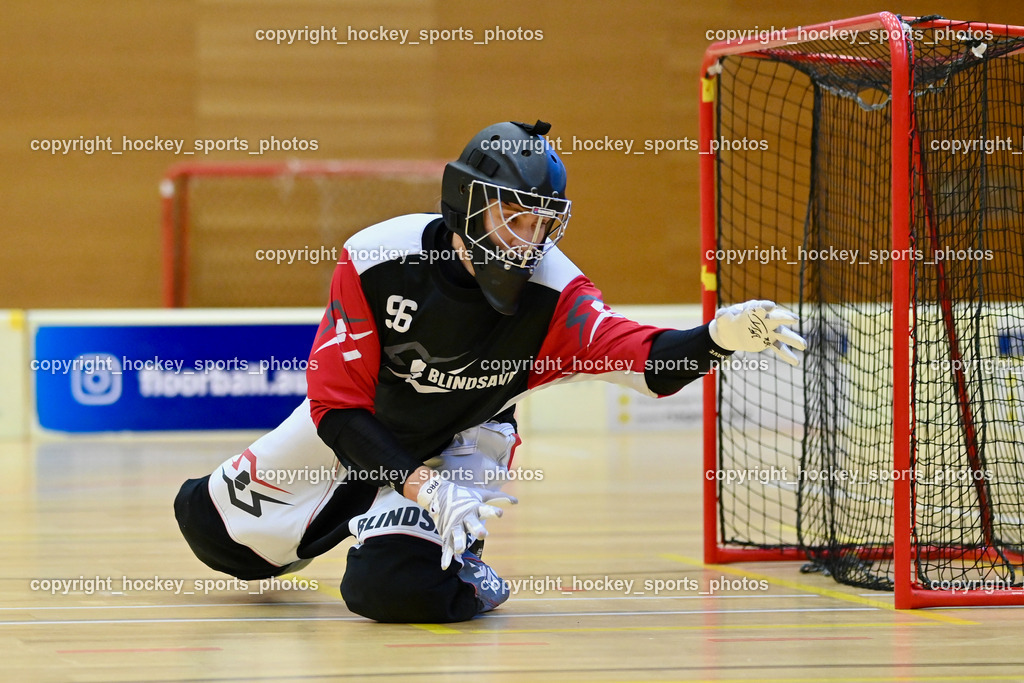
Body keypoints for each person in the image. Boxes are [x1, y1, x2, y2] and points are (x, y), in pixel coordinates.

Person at [174, 119, 806, 623]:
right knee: (212, 533)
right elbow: (336, 408)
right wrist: (419, 488)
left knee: (391, 592)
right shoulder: (377, 260)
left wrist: (716, 339)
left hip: (464, 440)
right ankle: (315, 536)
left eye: (542, 224)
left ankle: (464, 572)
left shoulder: (556, 295)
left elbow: (645, 360)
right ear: (466, 206)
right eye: (513, 218)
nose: (527, 242)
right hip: (364, 424)